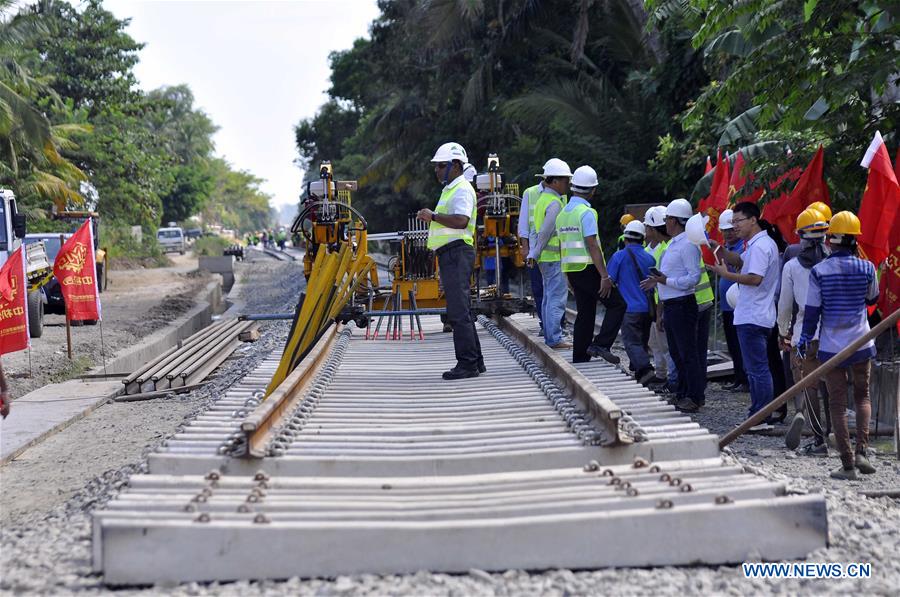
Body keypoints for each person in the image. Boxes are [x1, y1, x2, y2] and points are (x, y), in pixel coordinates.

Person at [799, 211, 879, 480]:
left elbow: (812, 311)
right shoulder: (867, 268)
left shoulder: (819, 271)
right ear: (855, 241)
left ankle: (847, 465)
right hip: (861, 342)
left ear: (830, 241)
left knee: (837, 402)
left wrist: (804, 339)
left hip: (832, 346)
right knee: (862, 396)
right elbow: (872, 299)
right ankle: (862, 452)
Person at [707, 201, 780, 427]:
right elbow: (740, 262)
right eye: (733, 222)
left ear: (753, 220)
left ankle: (761, 415)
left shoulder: (759, 246)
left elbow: (754, 278)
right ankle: (758, 413)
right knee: (757, 368)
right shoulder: (756, 244)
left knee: (757, 369)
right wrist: (719, 250)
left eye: (738, 221)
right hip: (755, 314)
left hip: (753, 315)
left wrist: (725, 275)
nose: (734, 226)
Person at [416, 141, 485, 380]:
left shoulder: (462, 188)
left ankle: (467, 364)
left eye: (441, 165)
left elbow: (461, 221)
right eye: (436, 166)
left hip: (457, 253)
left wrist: (433, 216)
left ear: (455, 165)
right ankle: (476, 361)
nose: (436, 170)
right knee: (462, 309)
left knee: (457, 312)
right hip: (452, 253)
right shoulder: (451, 188)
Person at [641, 198, 705, 412]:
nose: (665, 223)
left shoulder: (687, 245)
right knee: (678, 353)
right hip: (672, 304)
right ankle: (683, 393)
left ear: (676, 221)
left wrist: (665, 281)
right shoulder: (675, 244)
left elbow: (693, 278)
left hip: (682, 304)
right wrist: (658, 281)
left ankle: (694, 396)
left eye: (668, 218)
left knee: (687, 353)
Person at [555, 165, 624, 362]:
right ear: (593, 190)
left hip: (573, 270)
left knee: (585, 312)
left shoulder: (563, 214)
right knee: (618, 304)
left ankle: (580, 356)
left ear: (573, 187)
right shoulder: (587, 213)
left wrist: (567, 275)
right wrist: (604, 276)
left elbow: (563, 247)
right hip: (589, 268)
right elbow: (592, 244)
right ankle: (601, 345)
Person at [778, 208, 830, 453]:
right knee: (831, 385)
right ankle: (833, 431)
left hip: (803, 334)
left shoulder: (791, 266)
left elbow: (785, 305)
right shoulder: (834, 261)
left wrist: (783, 331)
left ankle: (809, 424)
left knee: (806, 383)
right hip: (834, 337)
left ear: (801, 235)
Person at [528, 158, 572, 350]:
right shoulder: (554, 203)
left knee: (548, 297)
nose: (567, 185)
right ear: (554, 181)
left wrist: (534, 252)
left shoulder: (541, 200)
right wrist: (535, 252)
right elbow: (546, 231)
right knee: (556, 298)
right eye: (565, 181)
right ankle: (554, 338)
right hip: (552, 258)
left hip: (544, 258)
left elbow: (534, 230)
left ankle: (550, 335)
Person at [607, 220, 657, 383]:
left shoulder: (619, 256)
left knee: (631, 342)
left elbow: (609, 280)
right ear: (642, 239)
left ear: (625, 238)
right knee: (642, 341)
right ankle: (640, 373)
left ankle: (646, 369)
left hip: (629, 308)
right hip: (648, 309)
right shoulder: (650, 258)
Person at [715, 209, 748, 391]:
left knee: (741, 344)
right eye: (724, 230)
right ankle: (738, 377)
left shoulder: (742, 249)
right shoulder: (725, 248)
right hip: (728, 306)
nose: (727, 233)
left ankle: (745, 379)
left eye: (730, 230)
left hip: (739, 305)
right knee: (733, 345)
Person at [643, 206, 673, 386]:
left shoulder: (666, 249)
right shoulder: (649, 250)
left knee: (666, 345)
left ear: (653, 229)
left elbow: (664, 282)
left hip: (665, 302)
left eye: (647, 226)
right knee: (655, 343)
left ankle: (671, 378)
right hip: (654, 304)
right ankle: (661, 374)